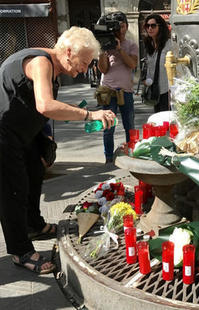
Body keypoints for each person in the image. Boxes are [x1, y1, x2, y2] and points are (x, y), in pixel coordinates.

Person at [0, 26, 116, 274]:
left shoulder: (53, 64)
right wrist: (88, 114)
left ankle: (33, 225)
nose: (84, 69)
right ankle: (21, 251)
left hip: (23, 135)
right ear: (68, 51)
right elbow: (45, 105)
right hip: (3, 135)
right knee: (13, 190)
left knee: (33, 176)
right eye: (84, 62)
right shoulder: (41, 62)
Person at [97, 11, 138, 164]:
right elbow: (103, 69)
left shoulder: (131, 45)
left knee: (130, 126)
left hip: (125, 91)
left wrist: (120, 49)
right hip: (108, 91)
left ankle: (131, 154)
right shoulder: (105, 45)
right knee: (108, 128)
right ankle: (108, 158)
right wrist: (103, 51)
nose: (120, 29)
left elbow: (132, 64)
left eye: (122, 26)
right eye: (117, 27)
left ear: (127, 26)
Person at [143, 14, 171, 112]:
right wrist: (146, 79)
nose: (150, 28)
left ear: (160, 27)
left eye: (153, 25)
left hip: (167, 90)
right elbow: (150, 66)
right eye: (147, 26)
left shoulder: (169, 44)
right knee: (158, 119)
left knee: (167, 120)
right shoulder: (149, 45)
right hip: (154, 89)